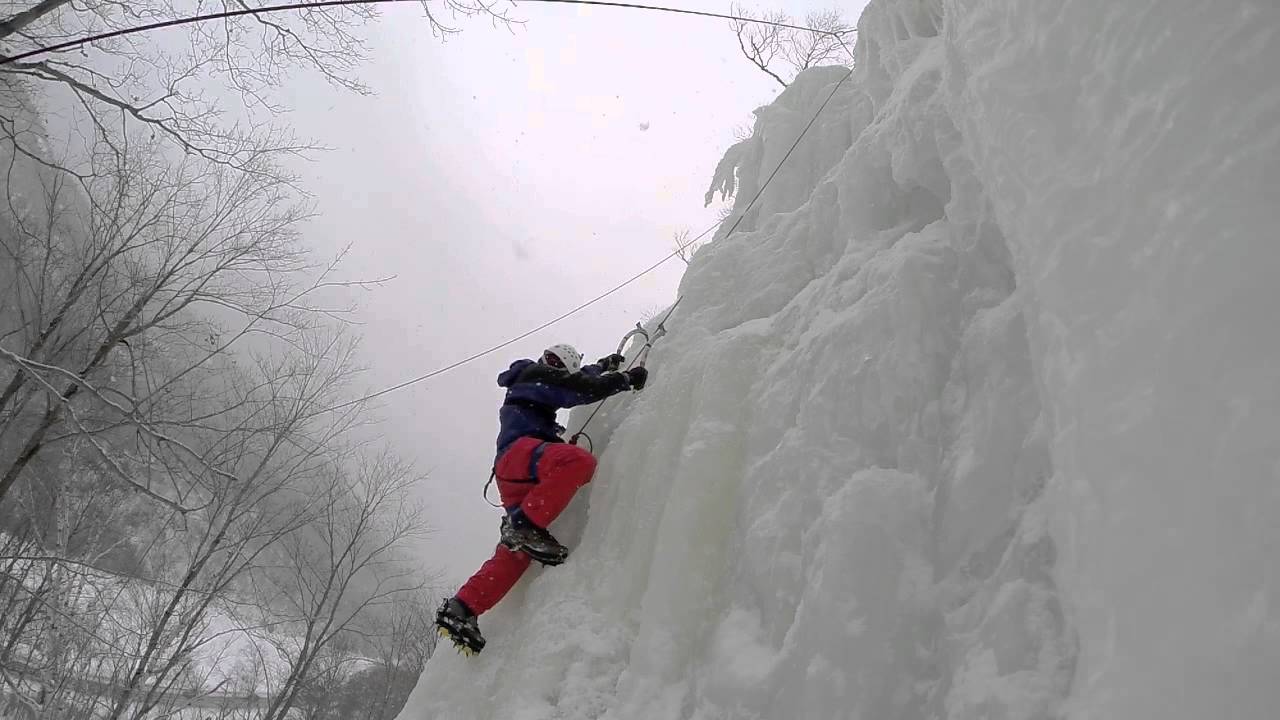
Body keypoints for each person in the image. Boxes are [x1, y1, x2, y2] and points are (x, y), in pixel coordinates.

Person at [435, 343, 648, 653]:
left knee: (518, 553)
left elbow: (575, 381)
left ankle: (462, 608)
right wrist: (625, 379)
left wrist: (603, 365)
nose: (550, 366)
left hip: (516, 469)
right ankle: (524, 525)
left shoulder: (535, 381)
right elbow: (577, 388)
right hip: (521, 456)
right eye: (550, 362)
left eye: (554, 364)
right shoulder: (533, 375)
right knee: (578, 461)